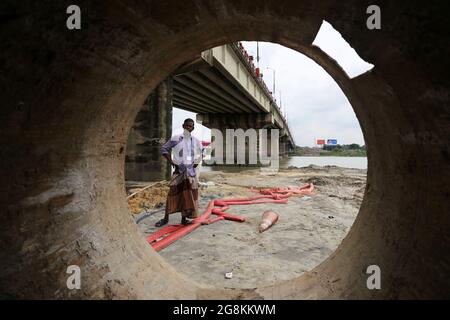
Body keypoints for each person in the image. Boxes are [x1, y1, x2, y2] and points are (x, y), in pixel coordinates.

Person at [155, 118, 204, 227]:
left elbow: (203, 152)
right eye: (186, 125)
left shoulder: (196, 141)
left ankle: (183, 219)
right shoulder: (176, 138)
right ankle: (165, 218)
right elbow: (164, 149)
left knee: (187, 195)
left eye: (190, 126)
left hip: (190, 173)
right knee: (172, 194)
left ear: (193, 128)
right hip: (178, 171)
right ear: (183, 126)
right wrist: (171, 162)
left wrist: (196, 163)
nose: (188, 127)